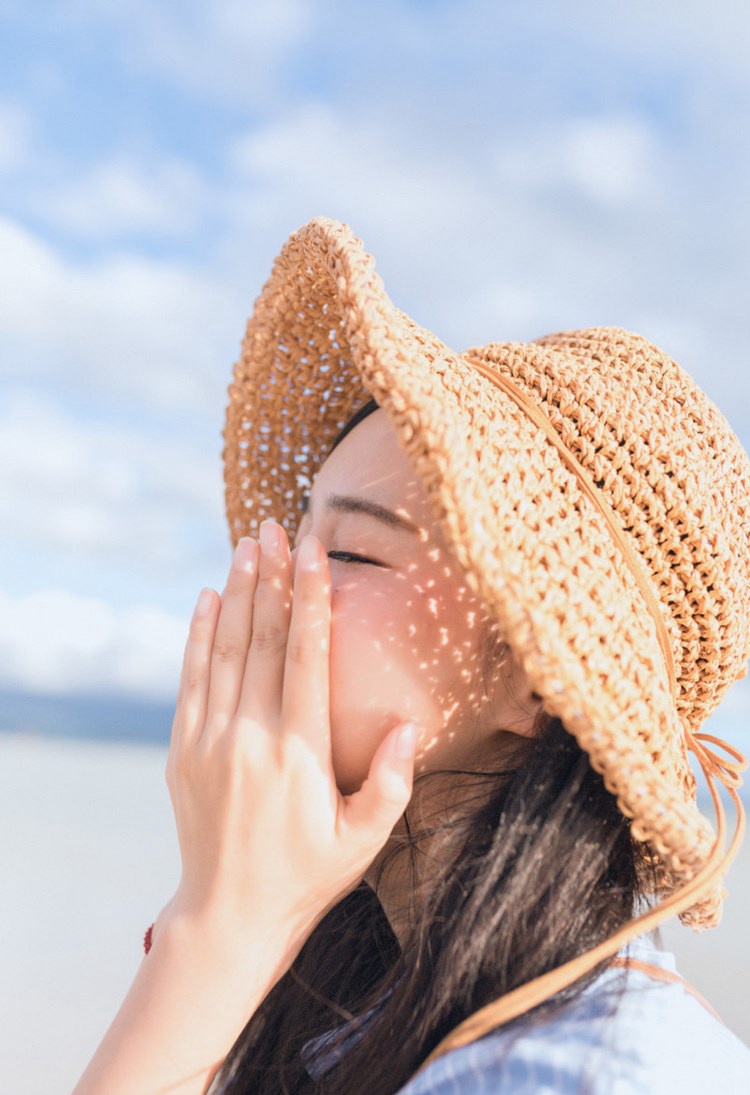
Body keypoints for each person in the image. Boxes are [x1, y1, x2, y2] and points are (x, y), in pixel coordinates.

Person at [74, 218, 750, 1095]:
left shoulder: (579, 1074)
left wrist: (220, 925)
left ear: (541, 679)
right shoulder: (373, 1014)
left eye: (349, 551)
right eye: (296, 533)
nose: (274, 575)